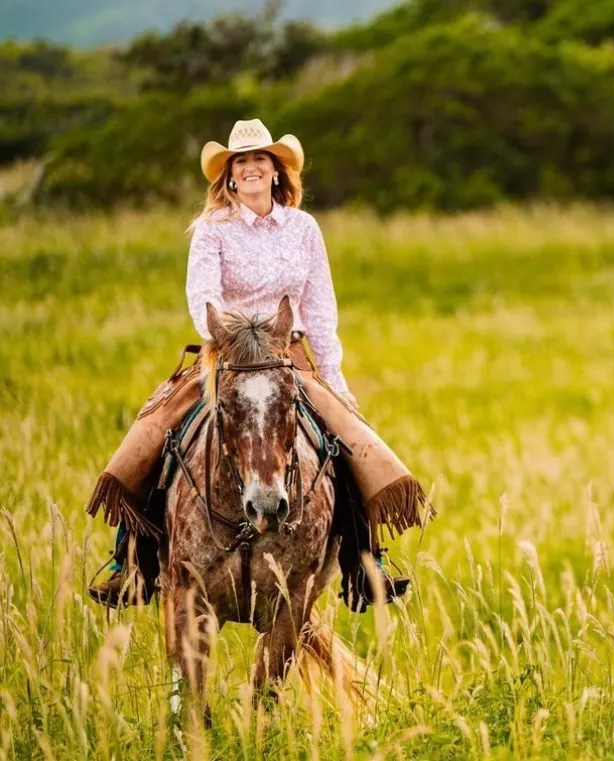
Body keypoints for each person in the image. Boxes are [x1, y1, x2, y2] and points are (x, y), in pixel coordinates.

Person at [86, 119, 425, 610]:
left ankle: (365, 560)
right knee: (154, 435)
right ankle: (130, 562)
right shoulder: (211, 230)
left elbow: (320, 309)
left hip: (288, 358)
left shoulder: (304, 229)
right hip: (228, 356)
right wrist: (231, 340)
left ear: (276, 171)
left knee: (350, 445)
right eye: (240, 162)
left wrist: (333, 378)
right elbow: (202, 296)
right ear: (228, 175)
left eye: (258, 160)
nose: (249, 168)